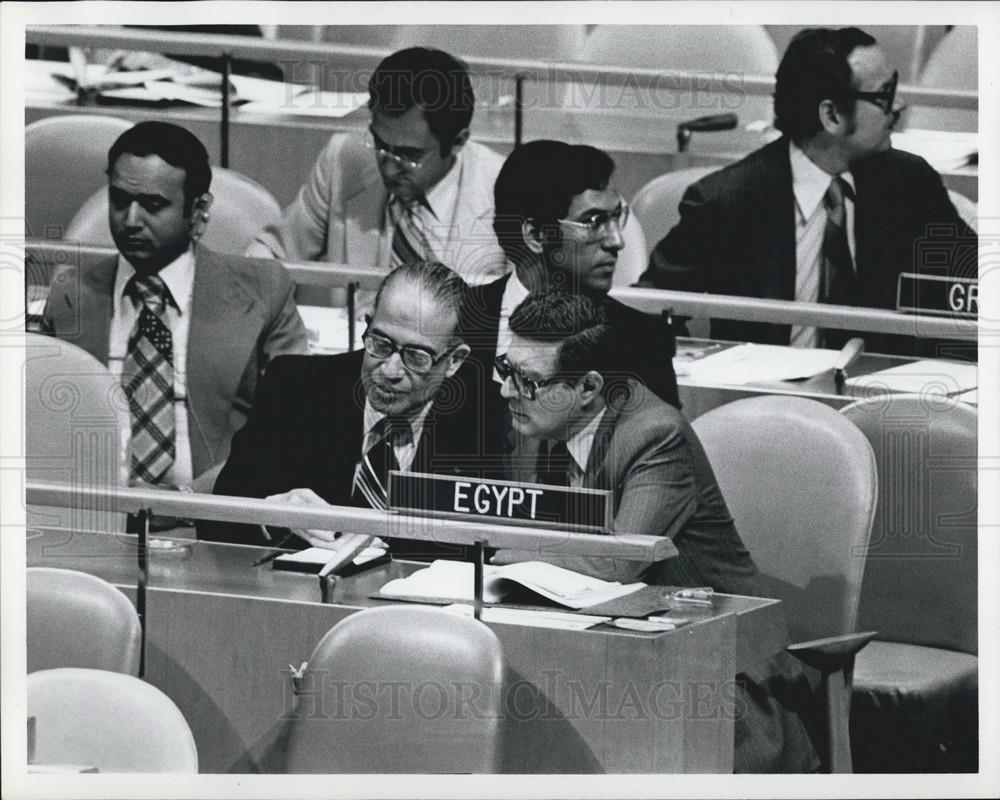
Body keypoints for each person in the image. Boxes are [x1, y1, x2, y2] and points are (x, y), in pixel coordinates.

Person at [491, 289, 821, 773]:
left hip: (719, 678)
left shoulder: (654, 435)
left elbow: (615, 563)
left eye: (528, 380)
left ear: (588, 387)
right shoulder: (548, 420)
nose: (506, 390)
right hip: (620, 651)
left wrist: (499, 550)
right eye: (506, 368)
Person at [639, 27, 977, 356]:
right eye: (884, 94)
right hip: (765, 402)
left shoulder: (910, 183)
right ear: (831, 115)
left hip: (880, 401)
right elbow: (646, 311)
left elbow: (973, 293)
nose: (899, 105)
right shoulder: (725, 202)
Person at [42, 121, 307, 489]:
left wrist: (186, 501)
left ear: (198, 210)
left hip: (216, 514)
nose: (130, 220)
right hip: (96, 508)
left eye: (153, 205)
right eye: (120, 201)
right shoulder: (71, 295)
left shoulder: (263, 291)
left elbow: (291, 427)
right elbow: (42, 425)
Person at [203, 260, 503, 557]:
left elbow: (485, 550)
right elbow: (216, 523)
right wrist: (273, 517)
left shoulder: (488, 415)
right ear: (369, 321)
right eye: (381, 343)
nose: (390, 370)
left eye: (416, 356)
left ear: (454, 360)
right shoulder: (294, 388)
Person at [246, 46, 508, 289]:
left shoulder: (506, 188)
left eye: (408, 155)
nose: (390, 170)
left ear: (458, 142)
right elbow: (271, 254)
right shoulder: (342, 158)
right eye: (380, 144)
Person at [463, 139, 680, 409]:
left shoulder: (644, 342)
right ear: (535, 235)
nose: (616, 241)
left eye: (615, 217)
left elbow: (658, 445)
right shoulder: (455, 321)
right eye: (593, 221)